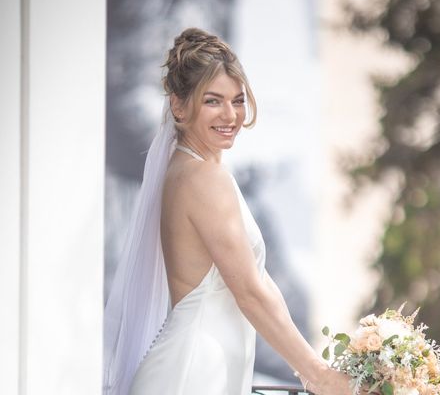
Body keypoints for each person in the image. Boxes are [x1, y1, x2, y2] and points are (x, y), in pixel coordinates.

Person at [103, 28, 352, 395]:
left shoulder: (192, 169)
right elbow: (249, 292)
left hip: (201, 371)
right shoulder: (203, 177)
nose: (230, 114)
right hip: (192, 375)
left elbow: (262, 284)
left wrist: (315, 369)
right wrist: (319, 376)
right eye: (213, 101)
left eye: (237, 100)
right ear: (178, 105)